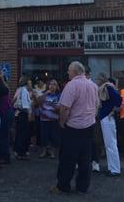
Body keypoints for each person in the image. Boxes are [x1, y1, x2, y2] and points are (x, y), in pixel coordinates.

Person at [51, 61, 98, 194]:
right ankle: (82, 187)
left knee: (67, 159)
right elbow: (96, 106)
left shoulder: (71, 85)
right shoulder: (93, 85)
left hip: (73, 127)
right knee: (85, 158)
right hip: (89, 125)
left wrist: (62, 122)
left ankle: (63, 186)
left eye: (68, 70)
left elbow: (65, 108)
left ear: (75, 71)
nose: (67, 73)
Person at [96, 74, 122, 177]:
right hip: (105, 117)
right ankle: (112, 168)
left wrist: (113, 110)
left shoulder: (108, 88)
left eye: (97, 79)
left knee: (111, 144)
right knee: (109, 144)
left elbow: (119, 100)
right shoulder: (105, 88)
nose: (96, 81)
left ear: (101, 79)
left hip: (107, 117)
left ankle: (115, 169)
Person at [0, 66, 14, 165]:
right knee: (3, 134)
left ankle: (4, 156)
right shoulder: (3, 84)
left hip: (4, 111)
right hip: (7, 110)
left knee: (2, 134)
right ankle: (3, 155)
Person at [38, 79, 61, 159]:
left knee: (54, 136)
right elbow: (39, 102)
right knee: (44, 135)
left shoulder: (59, 95)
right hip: (44, 119)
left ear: (57, 86)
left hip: (54, 119)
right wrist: (45, 94)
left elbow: (60, 107)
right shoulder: (44, 93)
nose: (52, 86)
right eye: (51, 84)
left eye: (54, 84)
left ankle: (52, 152)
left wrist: (56, 107)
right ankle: (44, 151)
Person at [13, 76, 31, 160]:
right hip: (22, 113)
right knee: (23, 133)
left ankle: (17, 150)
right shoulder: (24, 90)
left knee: (19, 133)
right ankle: (21, 152)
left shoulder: (18, 89)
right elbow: (25, 104)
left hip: (18, 113)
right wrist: (28, 113)